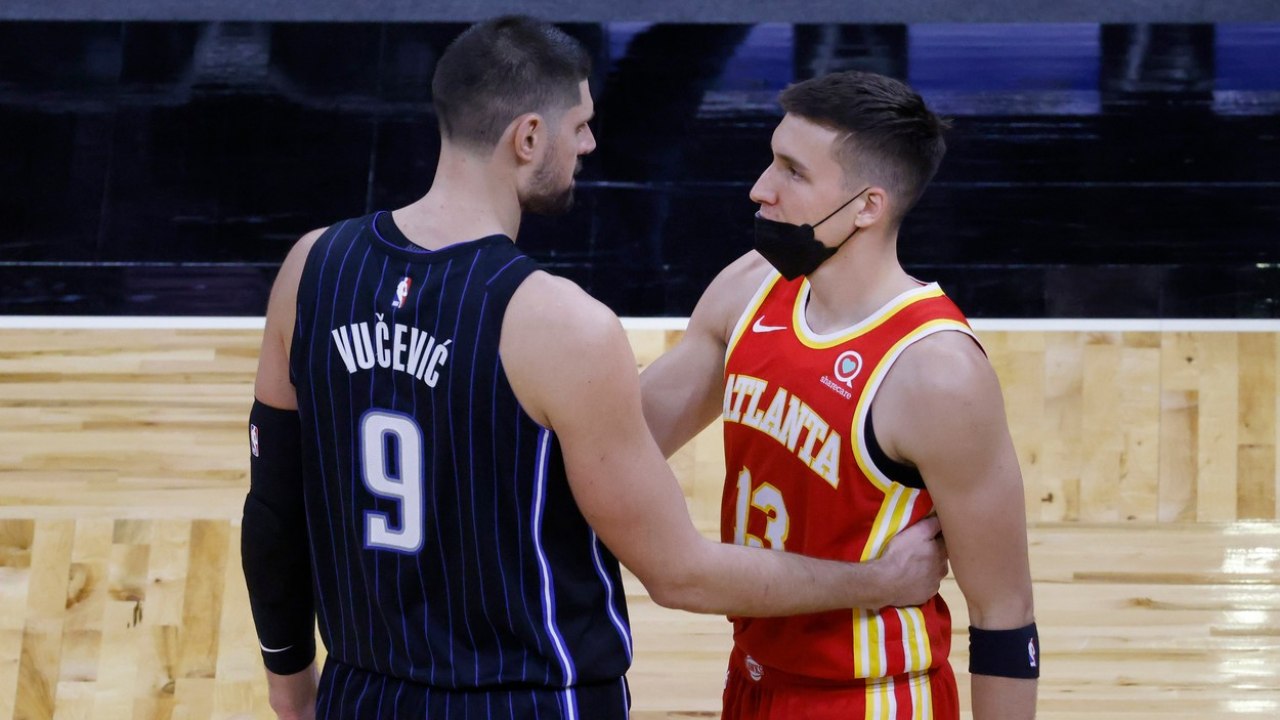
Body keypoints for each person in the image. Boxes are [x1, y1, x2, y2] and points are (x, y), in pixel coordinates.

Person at [241, 17, 948, 720]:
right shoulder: (562, 326)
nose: (589, 143)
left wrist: (289, 685)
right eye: (579, 125)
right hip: (526, 701)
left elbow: (272, 512)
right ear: (527, 138)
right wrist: (878, 579)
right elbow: (680, 574)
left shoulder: (311, 268)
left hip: (363, 693)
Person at [640, 70, 1038, 719]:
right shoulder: (749, 288)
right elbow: (622, 442)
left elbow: (1005, 612)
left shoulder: (936, 371)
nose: (760, 188)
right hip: (752, 680)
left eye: (793, 172)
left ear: (867, 206)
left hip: (872, 696)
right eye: (772, 159)